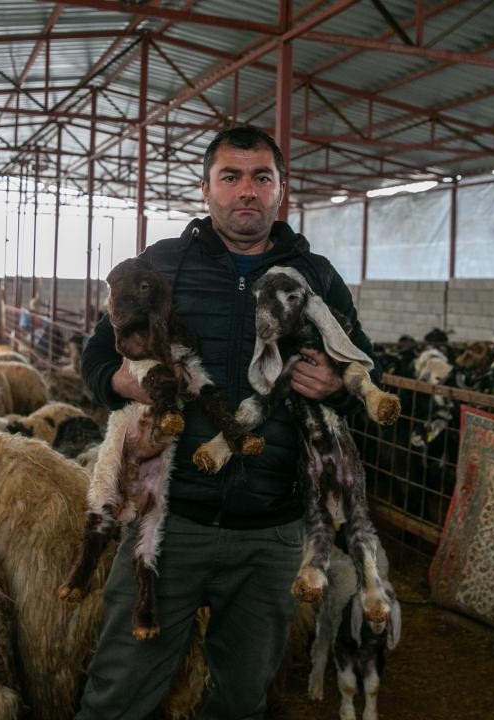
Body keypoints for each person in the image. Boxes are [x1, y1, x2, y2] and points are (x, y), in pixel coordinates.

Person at [78, 125, 382, 719]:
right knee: (119, 692)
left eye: (262, 178)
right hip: (168, 523)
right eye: (231, 176)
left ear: (280, 190)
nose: (247, 191)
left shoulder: (315, 276)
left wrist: (337, 386)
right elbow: (95, 360)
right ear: (206, 188)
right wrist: (128, 382)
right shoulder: (160, 266)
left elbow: (367, 372)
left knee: (243, 701)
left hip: (270, 533)